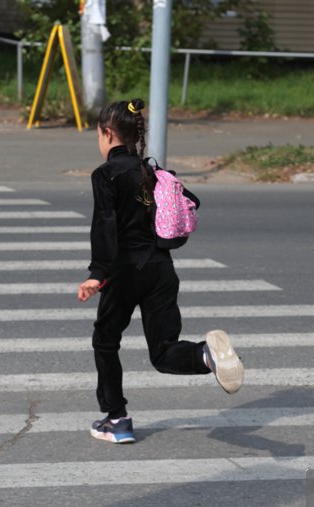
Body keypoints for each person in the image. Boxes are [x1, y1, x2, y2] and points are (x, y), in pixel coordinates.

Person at [77, 98, 245, 444]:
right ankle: (206, 355)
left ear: (107, 133)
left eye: (98, 133)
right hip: (161, 270)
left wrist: (98, 273)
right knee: (164, 351)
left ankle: (117, 419)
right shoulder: (153, 172)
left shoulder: (106, 174)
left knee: (105, 341)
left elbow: (104, 225)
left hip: (124, 273)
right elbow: (191, 201)